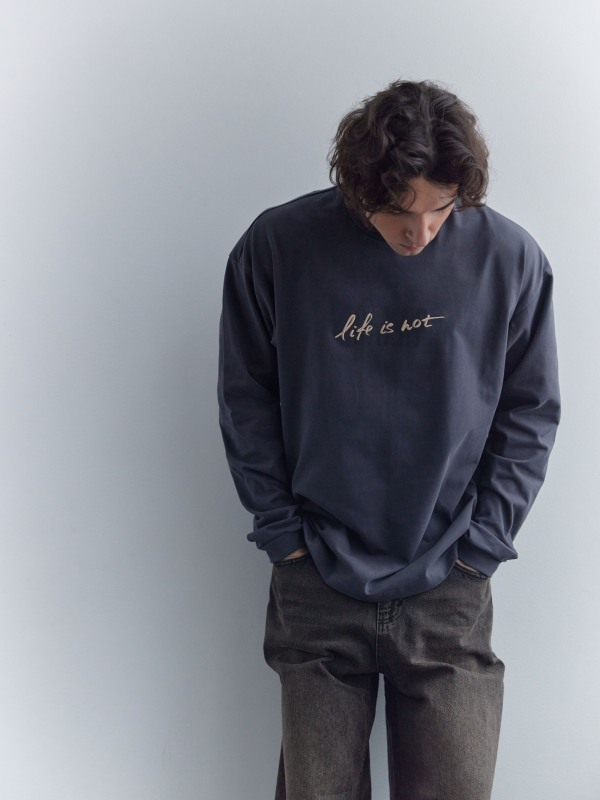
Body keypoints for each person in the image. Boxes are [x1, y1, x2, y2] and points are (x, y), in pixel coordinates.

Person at [217, 78, 561, 800]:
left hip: (449, 582)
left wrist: (482, 546)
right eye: (400, 210)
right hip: (317, 576)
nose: (420, 233)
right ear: (358, 184)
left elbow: (530, 412)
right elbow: (246, 399)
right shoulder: (277, 248)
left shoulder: (509, 259)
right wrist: (284, 537)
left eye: (442, 208)